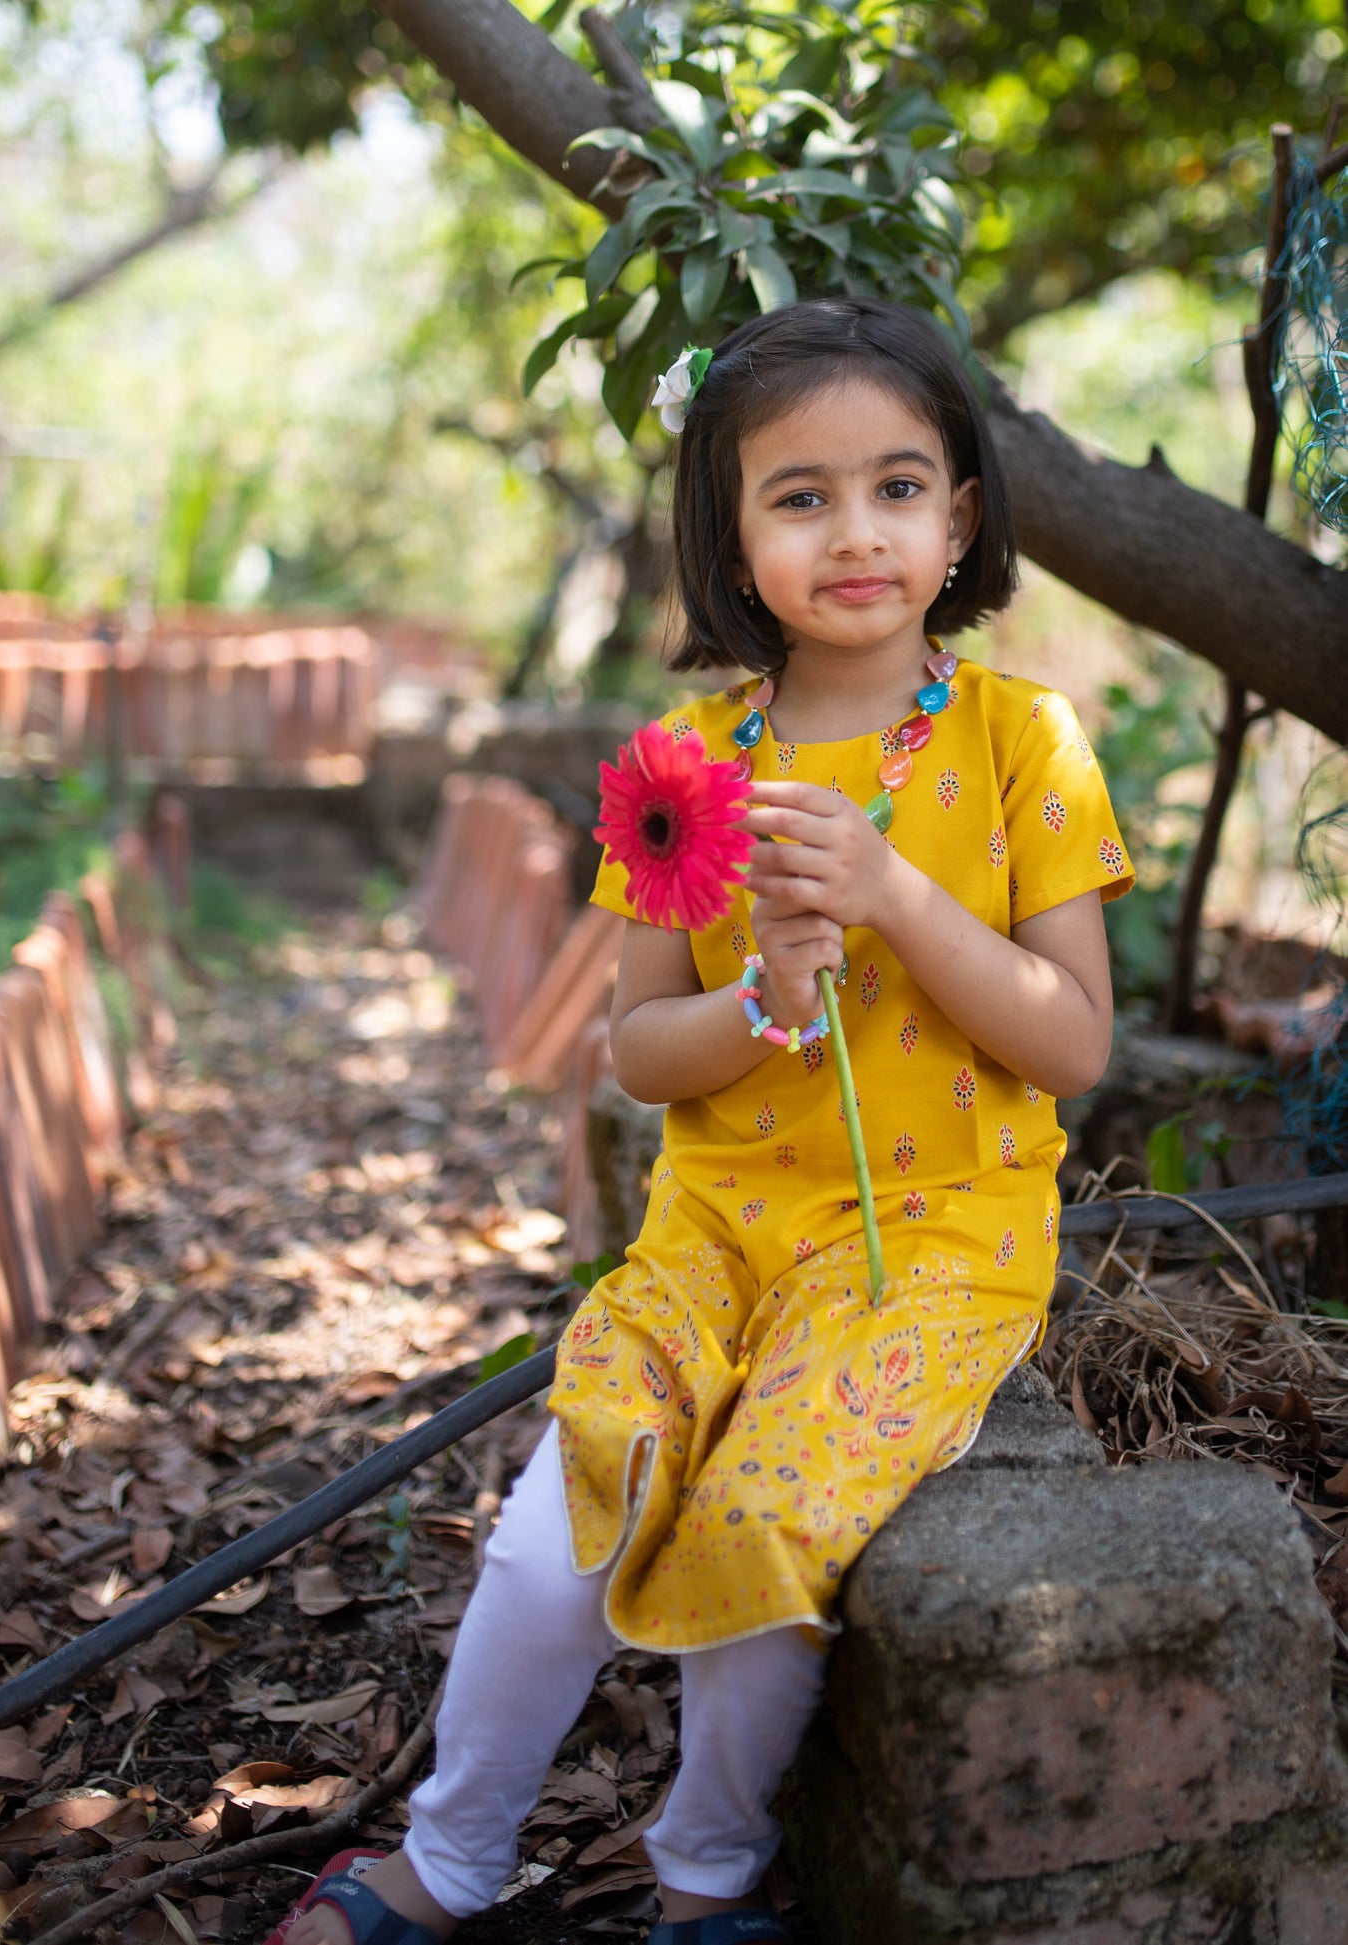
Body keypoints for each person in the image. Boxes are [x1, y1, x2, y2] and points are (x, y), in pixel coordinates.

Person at [272, 296, 1134, 1945]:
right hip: (715, 1237)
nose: (856, 530)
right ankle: (449, 1857)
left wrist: (891, 893)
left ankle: (707, 1868)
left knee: (762, 1530)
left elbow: (1073, 1038)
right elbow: (633, 1054)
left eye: (897, 486)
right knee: (549, 1540)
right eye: (797, 495)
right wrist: (761, 1006)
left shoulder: (1025, 743)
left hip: (931, 1244)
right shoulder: (682, 764)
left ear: (960, 516)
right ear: (731, 539)